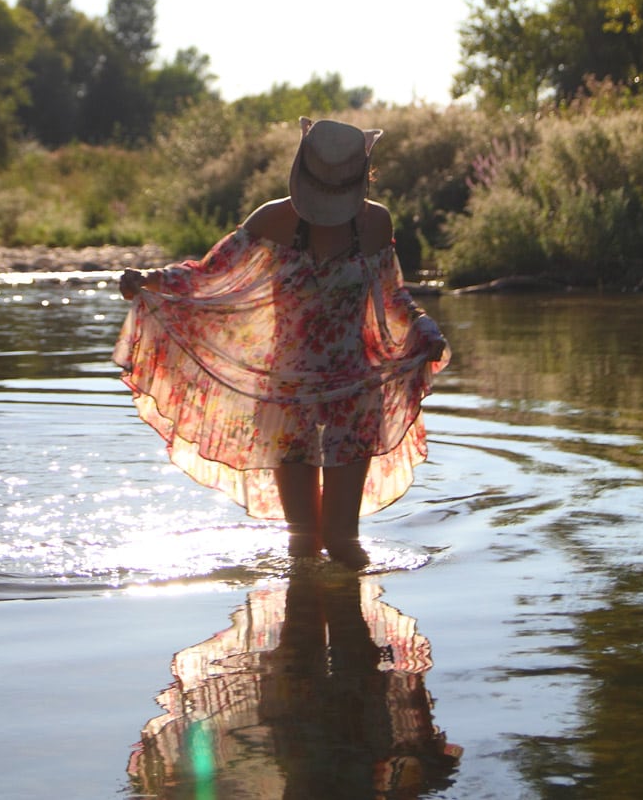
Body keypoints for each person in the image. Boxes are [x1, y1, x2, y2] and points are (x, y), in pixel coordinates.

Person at [115, 117, 450, 568]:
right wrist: (151, 280)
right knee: (304, 542)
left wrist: (425, 331)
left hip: (355, 390)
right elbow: (208, 276)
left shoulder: (374, 223)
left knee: (343, 540)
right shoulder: (273, 219)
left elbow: (391, 295)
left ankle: (354, 628)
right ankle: (303, 629)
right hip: (286, 393)